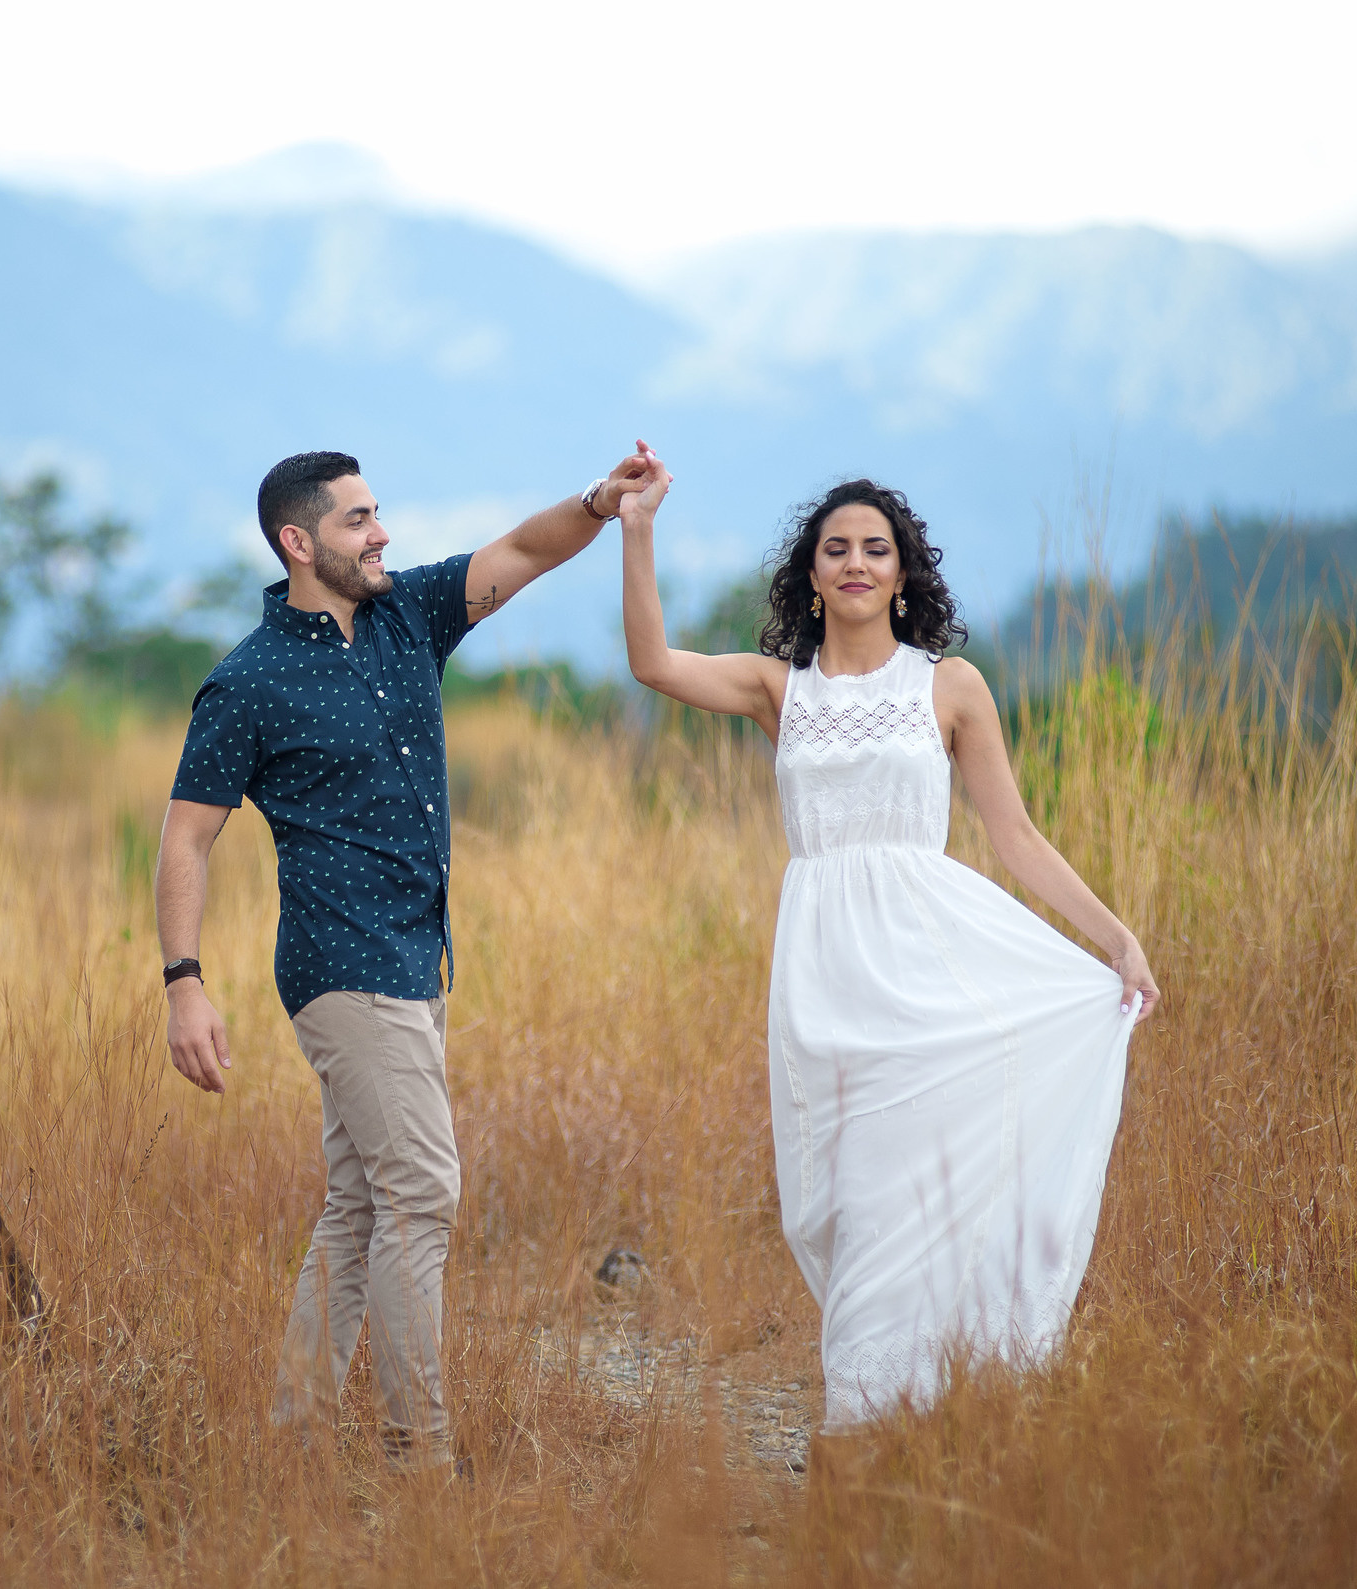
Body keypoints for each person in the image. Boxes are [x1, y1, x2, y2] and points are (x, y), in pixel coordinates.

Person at [616, 452, 1160, 1430]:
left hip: (930, 973)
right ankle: (882, 1425)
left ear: (904, 571)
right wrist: (639, 526)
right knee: (844, 1205)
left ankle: (865, 1437)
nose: (856, 562)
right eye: (837, 549)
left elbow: (1016, 837)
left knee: (913, 1206)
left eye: (876, 548)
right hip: (824, 981)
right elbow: (653, 662)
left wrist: (1117, 938)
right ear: (811, 572)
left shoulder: (949, 686)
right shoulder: (777, 689)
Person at [157, 446, 654, 1472]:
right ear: (298, 542)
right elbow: (185, 838)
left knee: (360, 1204)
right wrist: (184, 983)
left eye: (377, 512)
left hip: (417, 956)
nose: (380, 532)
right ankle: (417, 1451)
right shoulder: (248, 682)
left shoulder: (409, 614)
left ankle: (294, 1436)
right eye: (356, 520)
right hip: (340, 963)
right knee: (422, 1190)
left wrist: (601, 502)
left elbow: (523, 550)